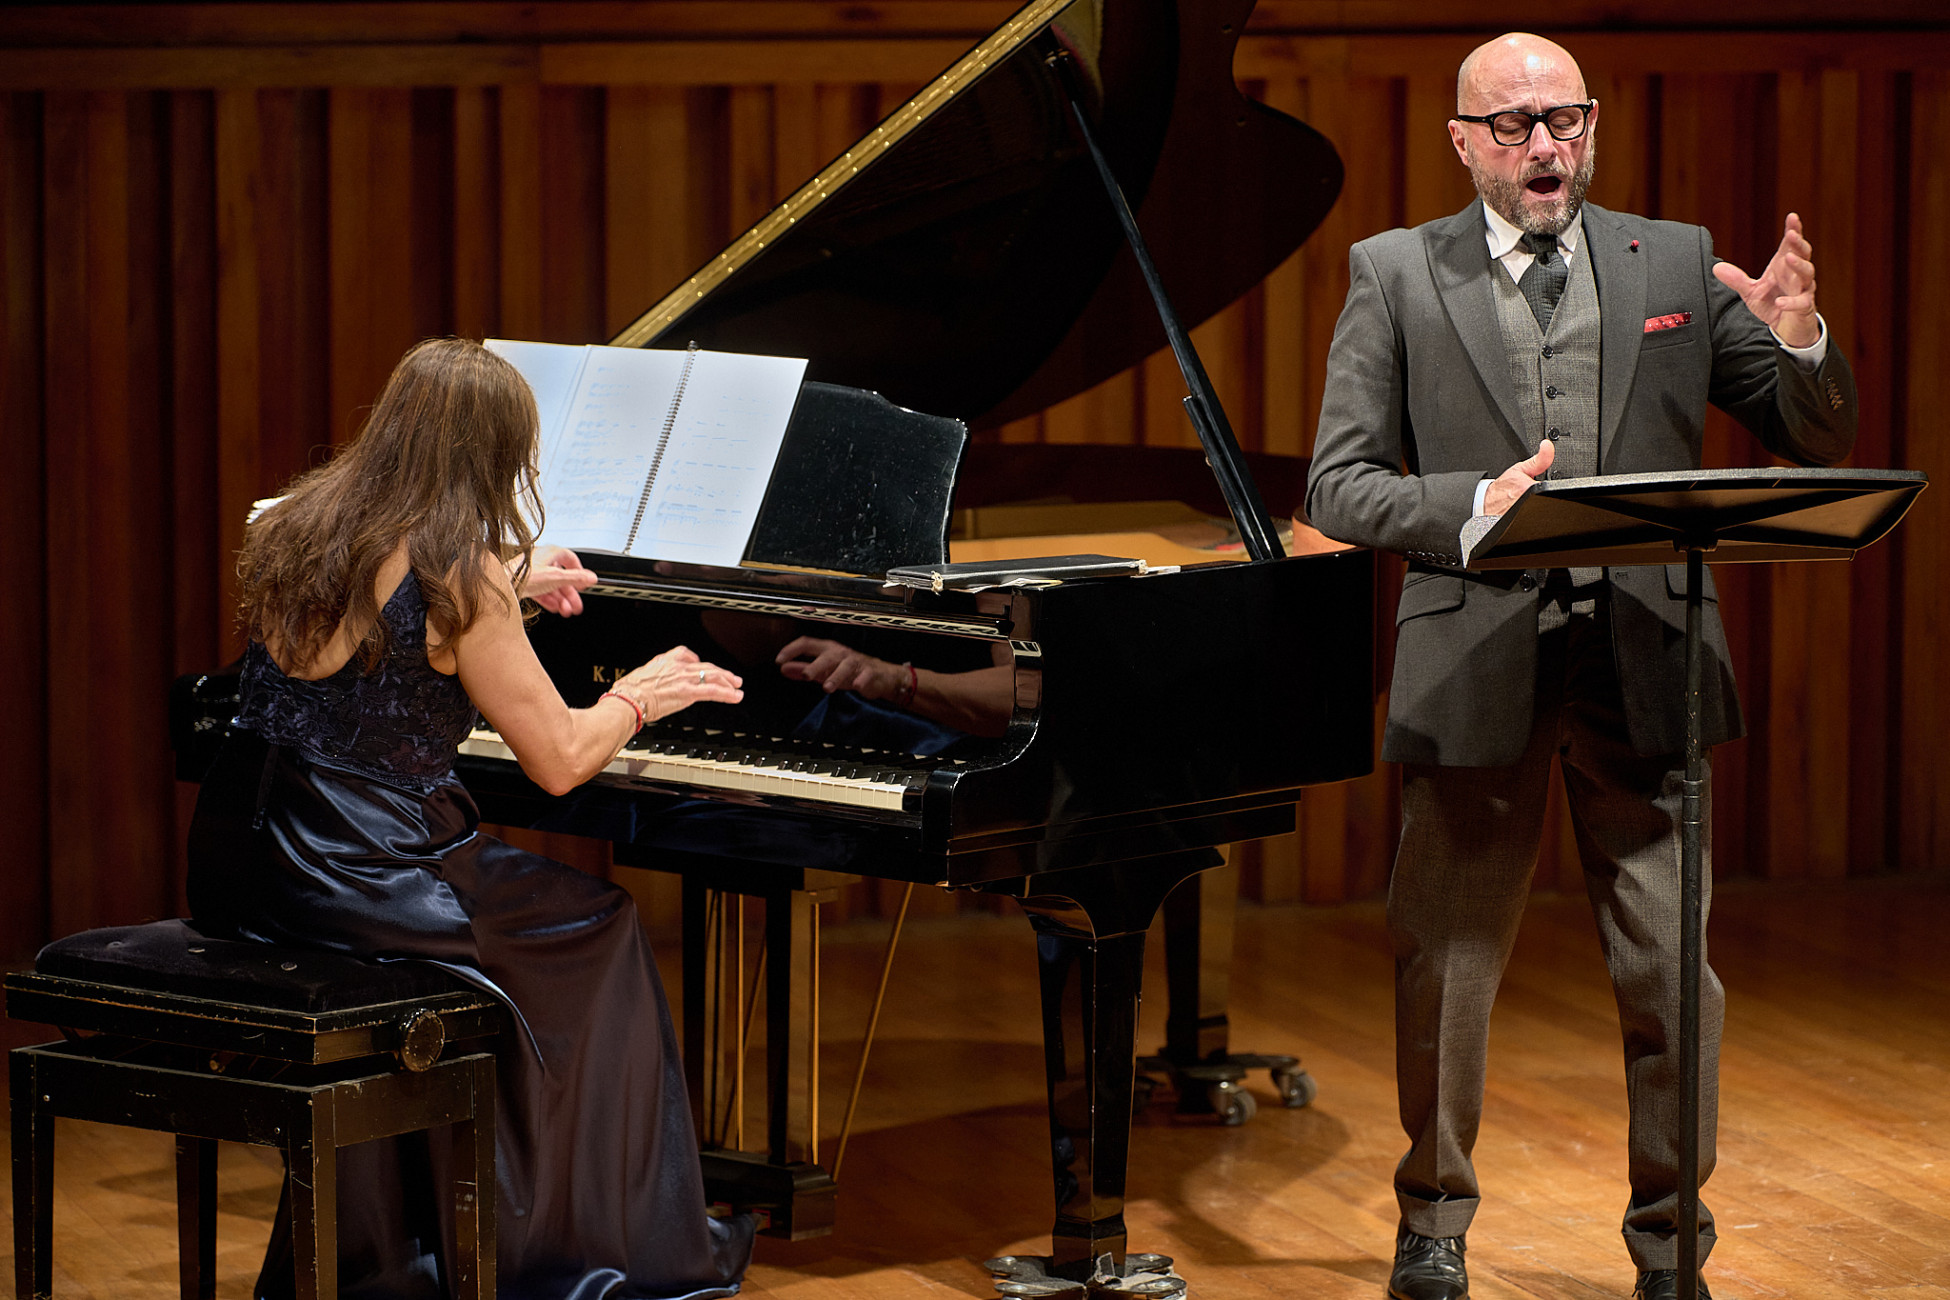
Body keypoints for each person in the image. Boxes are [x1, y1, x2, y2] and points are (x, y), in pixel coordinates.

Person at [1303, 33, 1857, 1300]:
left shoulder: (1672, 260)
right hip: (1474, 655)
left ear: (1591, 127)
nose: (1544, 145)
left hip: (1647, 655)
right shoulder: (1394, 271)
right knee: (1448, 966)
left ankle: (1671, 1247)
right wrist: (1470, 503)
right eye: (1512, 125)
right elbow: (1339, 483)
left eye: (1564, 119)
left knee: (1671, 973)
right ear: (1464, 142)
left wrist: (1800, 336)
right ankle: (1433, 1227)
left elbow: (1814, 430)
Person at [186, 337, 758, 1300]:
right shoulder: (464, 575)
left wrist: (510, 581)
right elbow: (560, 760)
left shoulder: (298, 524)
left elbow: (382, 611)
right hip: (366, 873)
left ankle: (421, 1239)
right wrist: (643, 694)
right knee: (601, 928)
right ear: (499, 456)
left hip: (249, 857)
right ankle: (574, 1244)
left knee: (503, 946)